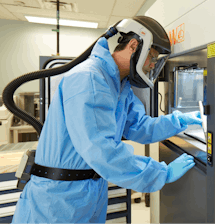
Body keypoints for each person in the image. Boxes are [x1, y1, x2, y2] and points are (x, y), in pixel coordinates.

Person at [12, 16, 202, 223]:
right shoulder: (89, 78)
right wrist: (159, 173)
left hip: (88, 192)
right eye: (152, 57)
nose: (152, 65)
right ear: (133, 45)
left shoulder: (120, 86)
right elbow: (102, 149)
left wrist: (181, 121)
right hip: (57, 199)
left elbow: (139, 127)